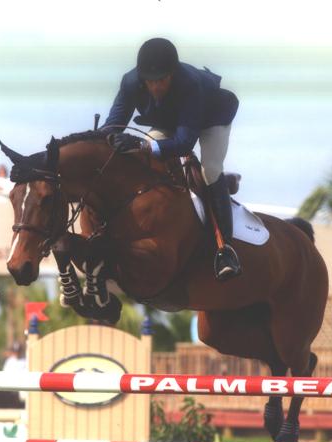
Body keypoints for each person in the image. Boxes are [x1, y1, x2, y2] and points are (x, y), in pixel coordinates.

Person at [103, 38, 241, 281]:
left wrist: (142, 144)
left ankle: (225, 249)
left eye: (162, 81)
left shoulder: (190, 84)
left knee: (210, 170)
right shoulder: (130, 82)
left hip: (212, 118)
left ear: (173, 74)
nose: (155, 87)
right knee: (140, 160)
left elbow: (184, 143)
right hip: (170, 122)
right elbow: (112, 126)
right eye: (150, 81)